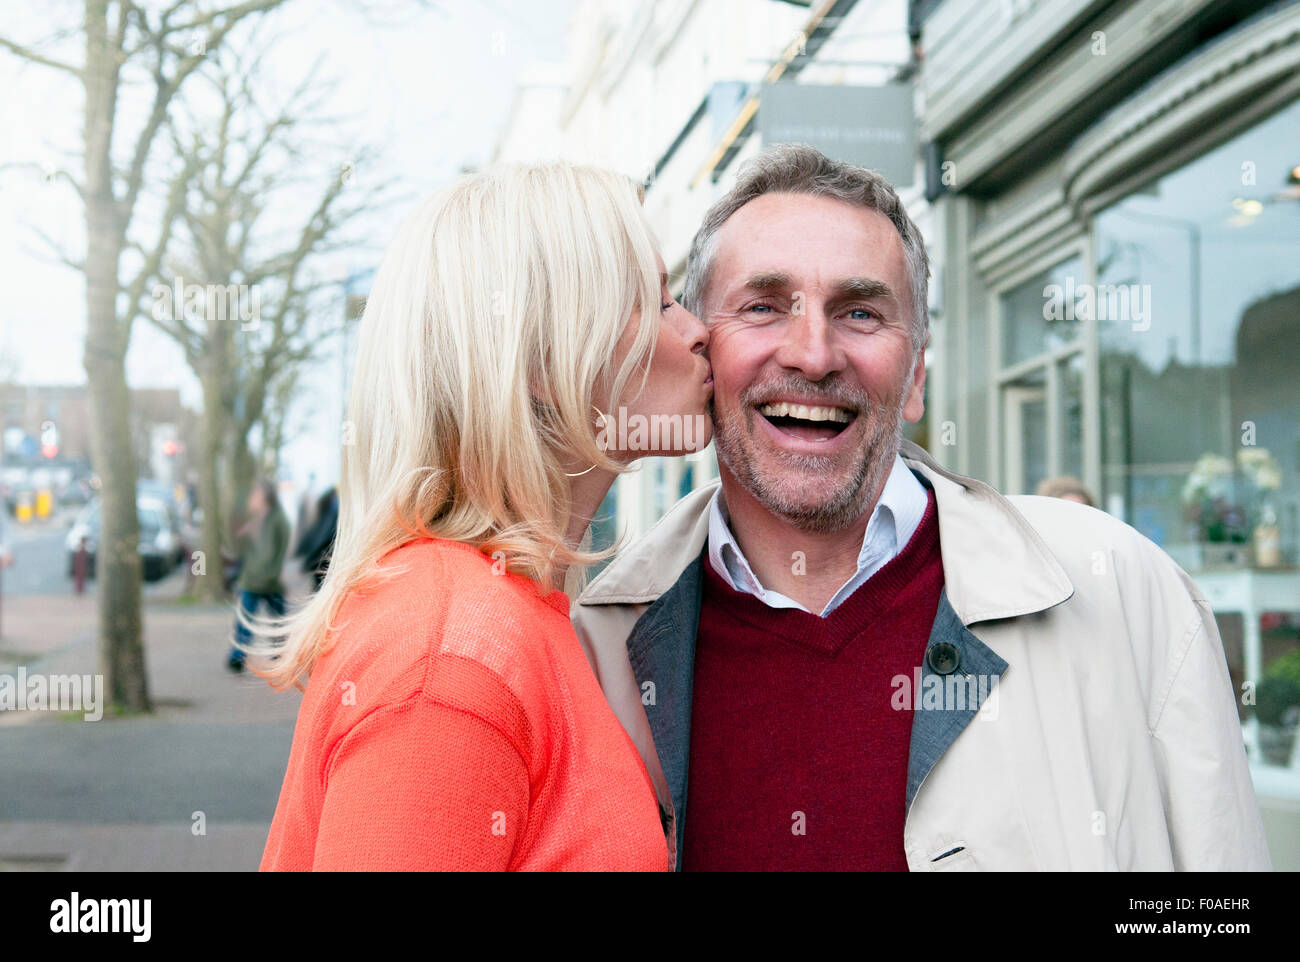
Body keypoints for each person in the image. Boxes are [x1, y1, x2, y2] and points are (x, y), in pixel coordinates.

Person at [571, 143, 1271, 872]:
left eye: (861, 312)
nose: (814, 355)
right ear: (701, 354)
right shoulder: (600, 644)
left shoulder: (1120, 589)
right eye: (763, 306)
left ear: (915, 378)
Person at [254, 161, 712, 871]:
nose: (698, 331)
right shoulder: (450, 658)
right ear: (540, 355)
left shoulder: (514, 614)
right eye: (656, 303)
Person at [227, 480, 290, 673]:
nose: (253, 497)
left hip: (267, 579)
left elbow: (273, 552)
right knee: (248, 619)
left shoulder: (278, 520)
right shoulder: (255, 517)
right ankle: (238, 655)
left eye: (256, 494)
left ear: (265, 496)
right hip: (252, 578)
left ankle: (277, 652)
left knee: (275, 621)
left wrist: (270, 573)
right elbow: (238, 545)